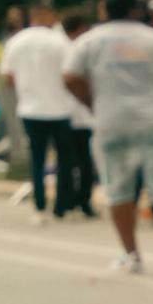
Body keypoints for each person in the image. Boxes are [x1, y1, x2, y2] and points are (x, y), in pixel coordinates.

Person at [63, 0, 153, 275]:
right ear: (136, 10)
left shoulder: (89, 42)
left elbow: (70, 76)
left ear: (104, 11)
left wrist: (91, 102)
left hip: (112, 120)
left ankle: (131, 254)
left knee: (118, 189)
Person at [0, 1, 78, 217]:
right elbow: (70, 73)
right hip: (59, 107)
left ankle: (40, 204)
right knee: (64, 158)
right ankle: (62, 206)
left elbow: (8, 77)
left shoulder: (16, 41)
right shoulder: (60, 41)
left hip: (30, 108)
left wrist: (26, 89)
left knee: (37, 158)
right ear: (48, 15)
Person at [57, 12, 98, 216]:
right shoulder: (82, 48)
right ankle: (83, 201)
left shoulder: (61, 47)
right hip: (80, 112)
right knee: (82, 160)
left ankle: (66, 201)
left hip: (63, 113)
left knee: (66, 159)